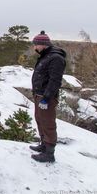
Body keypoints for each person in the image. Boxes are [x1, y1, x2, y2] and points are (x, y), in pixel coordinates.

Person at [30, 31, 66, 163]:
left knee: (48, 123)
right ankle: (43, 145)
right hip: (39, 94)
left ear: (43, 44)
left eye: (36, 45)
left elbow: (55, 81)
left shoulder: (56, 58)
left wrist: (46, 98)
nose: (34, 48)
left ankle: (49, 154)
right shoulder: (46, 56)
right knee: (40, 120)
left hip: (46, 97)